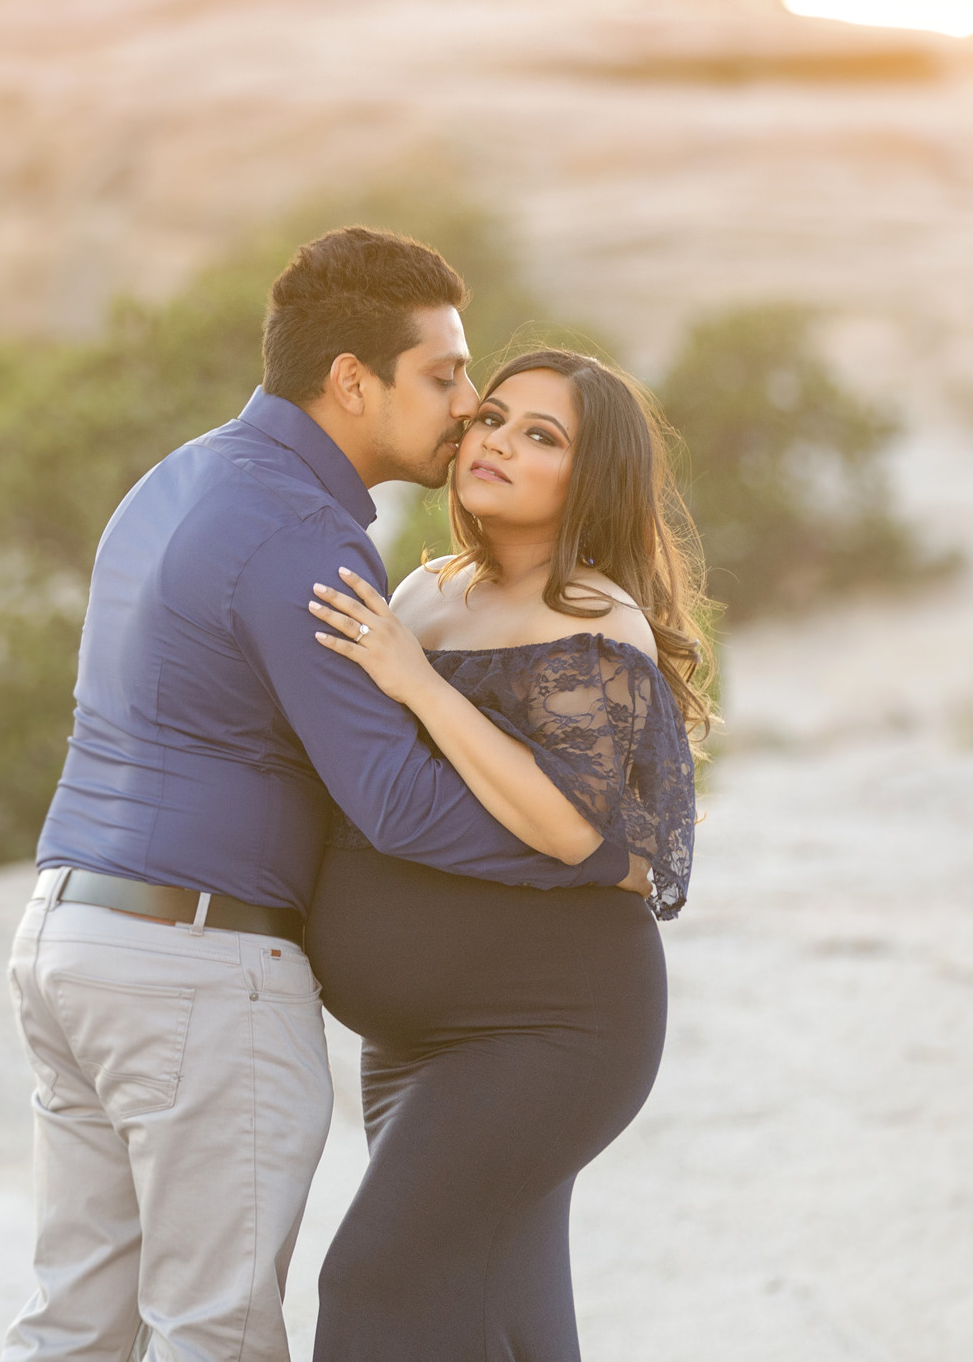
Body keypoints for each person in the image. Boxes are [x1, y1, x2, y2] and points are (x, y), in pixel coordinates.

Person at [3, 231, 649, 1362]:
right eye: (447, 379)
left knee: (75, 1326)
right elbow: (395, 803)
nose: (467, 409)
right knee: (214, 1333)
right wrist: (589, 851)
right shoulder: (304, 540)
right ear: (353, 381)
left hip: (71, 940)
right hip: (191, 973)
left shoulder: (179, 479)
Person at [299, 346, 712, 1362]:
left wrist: (419, 684)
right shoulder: (428, 592)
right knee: (498, 1317)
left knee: (375, 1278)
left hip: (552, 1026)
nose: (495, 443)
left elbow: (571, 823)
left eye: (542, 437)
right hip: (423, 1039)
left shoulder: (590, 615)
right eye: (491, 419)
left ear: (589, 480)